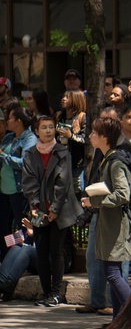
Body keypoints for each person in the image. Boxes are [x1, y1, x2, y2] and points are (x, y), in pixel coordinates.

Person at [76, 106, 131, 316]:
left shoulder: (115, 163)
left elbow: (123, 194)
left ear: (104, 137)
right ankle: (118, 322)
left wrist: (96, 202)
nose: (91, 136)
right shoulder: (106, 159)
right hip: (107, 224)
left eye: (94, 132)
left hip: (115, 226)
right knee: (111, 273)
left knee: (112, 274)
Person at [21, 115, 83, 306]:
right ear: (36, 131)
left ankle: (55, 293)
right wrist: (34, 205)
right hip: (39, 210)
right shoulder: (31, 154)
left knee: (56, 250)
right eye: (44, 127)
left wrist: (54, 208)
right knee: (41, 251)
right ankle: (46, 292)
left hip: (60, 208)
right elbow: (28, 181)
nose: (48, 130)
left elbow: (63, 183)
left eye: (51, 127)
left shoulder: (62, 151)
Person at [1, 107, 37, 244]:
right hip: (3, 189)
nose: (7, 121)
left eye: (10, 118)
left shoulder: (30, 138)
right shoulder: (9, 137)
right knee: (3, 226)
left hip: (18, 190)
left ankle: (22, 256)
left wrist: (3, 156)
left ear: (18, 121)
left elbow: (24, 163)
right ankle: (6, 257)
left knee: (22, 227)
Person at [55, 89, 88, 184]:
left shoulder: (82, 117)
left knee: (75, 192)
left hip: (75, 164)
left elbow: (85, 140)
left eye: (67, 97)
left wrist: (71, 136)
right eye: (63, 97)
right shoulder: (59, 116)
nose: (63, 99)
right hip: (60, 162)